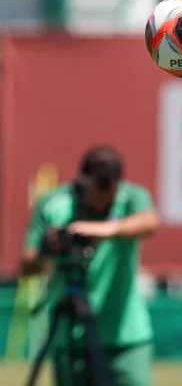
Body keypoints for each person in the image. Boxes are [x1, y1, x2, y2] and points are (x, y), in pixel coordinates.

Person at [20, 145, 161, 386]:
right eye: (97, 193)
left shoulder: (130, 198)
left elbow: (150, 222)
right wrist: (48, 249)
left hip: (124, 334)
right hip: (71, 334)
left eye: (109, 195)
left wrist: (105, 230)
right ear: (83, 182)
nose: (102, 204)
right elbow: (27, 265)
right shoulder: (55, 204)